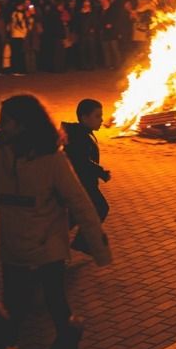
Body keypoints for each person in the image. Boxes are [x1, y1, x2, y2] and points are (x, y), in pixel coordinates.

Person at [0, 94, 112, 349]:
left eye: (8, 120)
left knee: (58, 308)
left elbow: (79, 203)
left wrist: (99, 247)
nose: (2, 126)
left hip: (48, 249)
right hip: (13, 248)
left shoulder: (53, 159)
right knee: (12, 311)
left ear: (25, 124)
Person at [61, 98, 111, 259]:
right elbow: (81, 160)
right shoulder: (79, 137)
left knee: (75, 215)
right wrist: (100, 171)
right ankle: (81, 243)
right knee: (101, 207)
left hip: (83, 182)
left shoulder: (81, 133)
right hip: (82, 184)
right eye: (97, 116)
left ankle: (54, 238)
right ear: (84, 117)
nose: (101, 120)